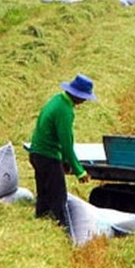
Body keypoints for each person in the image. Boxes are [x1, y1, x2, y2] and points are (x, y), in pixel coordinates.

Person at [28, 74, 96, 229]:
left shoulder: (57, 100)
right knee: (59, 198)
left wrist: (64, 162)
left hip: (36, 154)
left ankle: (41, 225)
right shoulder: (65, 111)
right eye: (84, 97)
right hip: (48, 157)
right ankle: (62, 229)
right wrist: (79, 171)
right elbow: (66, 143)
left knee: (44, 195)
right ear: (77, 95)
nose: (84, 101)